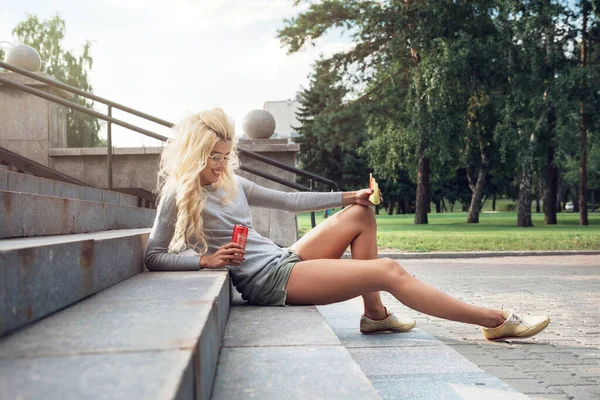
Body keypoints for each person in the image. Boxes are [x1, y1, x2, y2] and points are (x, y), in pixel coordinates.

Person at [145, 109, 550, 341]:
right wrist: (207, 262)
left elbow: (289, 201)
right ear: (195, 152)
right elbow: (154, 256)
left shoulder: (233, 181)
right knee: (389, 269)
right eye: (213, 156)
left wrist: (347, 197)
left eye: (225, 155)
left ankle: (374, 314)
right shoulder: (178, 193)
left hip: (283, 258)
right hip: (266, 281)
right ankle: (495, 321)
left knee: (361, 214)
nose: (220, 164)